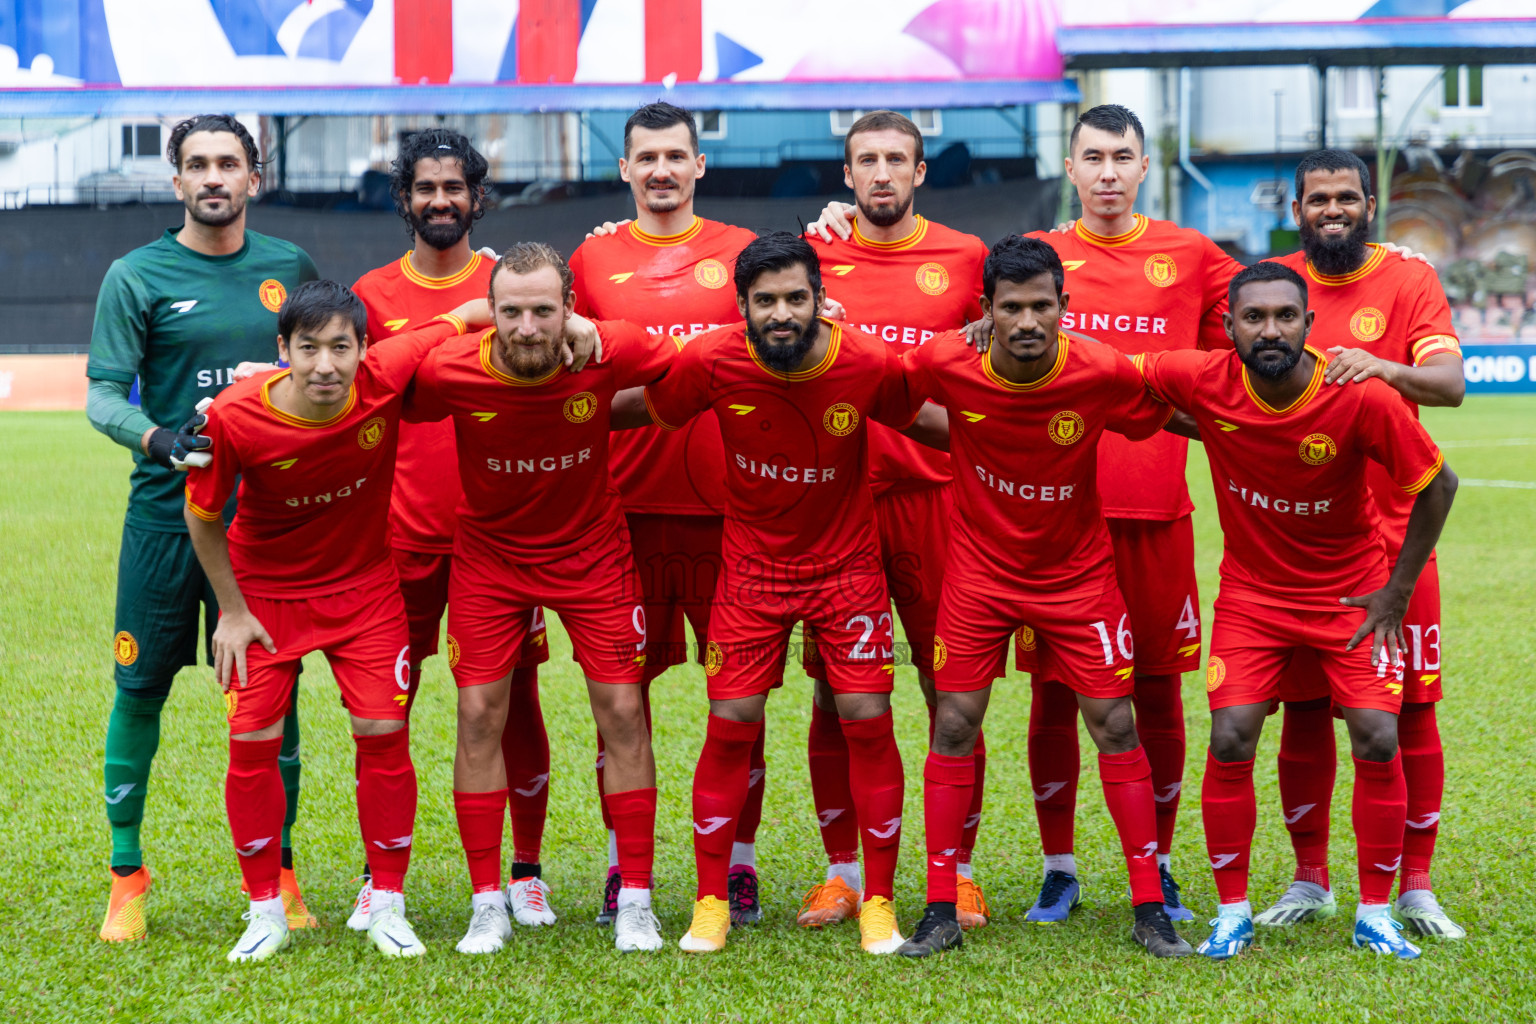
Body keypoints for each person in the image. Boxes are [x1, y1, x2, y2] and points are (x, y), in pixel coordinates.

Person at [628, 231, 940, 956]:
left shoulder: (864, 360)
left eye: (796, 298)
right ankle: (710, 901)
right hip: (750, 572)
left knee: (867, 714)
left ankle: (880, 904)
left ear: (819, 301)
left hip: (848, 569)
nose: (781, 313)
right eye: (765, 300)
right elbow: (658, 408)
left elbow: (916, 409)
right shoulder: (710, 360)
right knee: (731, 720)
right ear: (741, 307)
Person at [1137, 260, 1457, 961]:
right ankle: (1232, 913)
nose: (1271, 329)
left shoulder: (1361, 395)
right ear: (1229, 328)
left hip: (1350, 593)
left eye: (1286, 316)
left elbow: (1440, 485)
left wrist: (1396, 593)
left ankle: (1376, 911)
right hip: (1253, 597)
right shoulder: (1202, 377)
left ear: (1310, 326)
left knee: (1377, 734)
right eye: (1254, 317)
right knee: (1231, 738)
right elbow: (1112, 366)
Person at [893, 235, 1192, 960]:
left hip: (1078, 576)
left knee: (1115, 726)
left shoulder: (1099, 369)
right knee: (955, 724)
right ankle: (939, 908)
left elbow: (1168, 411)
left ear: (1066, 307)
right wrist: (961, 435)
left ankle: (1150, 908)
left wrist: (1262, 429)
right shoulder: (944, 361)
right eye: (1011, 308)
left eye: (1041, 307)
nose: (1027, 321)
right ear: (985, 311)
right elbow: (888, 400)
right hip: (978, 575)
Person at [184, 280, 480, 960]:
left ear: (365, 349)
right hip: (264, 599)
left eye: (341, 348)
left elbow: (466, 315)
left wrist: (581, 326)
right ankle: (264, 910)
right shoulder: (234, 416)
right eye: (308, 348)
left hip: (364, 591)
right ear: (282, 349)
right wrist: (230, 611)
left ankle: (388, 903)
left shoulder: (386, 375)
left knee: (382, 730)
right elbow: (200, 515)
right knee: (252, 737)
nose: (325, 365)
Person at [86, 113, 318, 941]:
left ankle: (283, 872)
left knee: (272, 696)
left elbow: (324, 363)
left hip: (263, 521)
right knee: (140, 688)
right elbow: (104, 395)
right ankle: (126, 874)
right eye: (197, 165)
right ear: (175, 181)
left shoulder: (289, 268)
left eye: (229, 163)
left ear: (254, 178)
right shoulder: (136, 274)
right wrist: (158, 436)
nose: (214, 177)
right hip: (163, 516)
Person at [403, 243, 667, 954]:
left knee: (621, 707)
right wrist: (454, 320)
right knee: (479, 711)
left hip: (592, 552)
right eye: (510, 311)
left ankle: (637, 898)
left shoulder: (599, 356)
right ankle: (488, 900)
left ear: (568, 310)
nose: (526, 328)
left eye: (543, 311)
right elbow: (388, 373)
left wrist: (602, 334)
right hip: (490, 557)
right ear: (491, 313)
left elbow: (665, 352)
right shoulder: (455, 367)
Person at [350, 128, 560, 932]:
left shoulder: (515, 284)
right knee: (385, 709)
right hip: (396, 535)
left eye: (455, 186)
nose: (441, 199)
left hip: (500, 538)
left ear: (478, 196)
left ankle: (528, 872)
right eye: (425, 187)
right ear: (404, 198)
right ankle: (381, 874)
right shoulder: (370, 293)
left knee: (516, 705)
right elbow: (360, 390)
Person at [1262, 149, 1466, 939]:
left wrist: (1376, 367)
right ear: (1299, 208)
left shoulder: (1408, 280)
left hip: (1398, 537)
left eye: (1347, 197)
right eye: (1319, 199)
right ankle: (1310, 879)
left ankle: (1415, 885)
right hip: (1301, 548)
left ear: (1370, 204)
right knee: (1306, 708)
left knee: (1411, 711)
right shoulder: (1271, 281)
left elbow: (1448, 386)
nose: (1333, 210)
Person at [797, 111, 992, 929]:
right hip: (833, 505)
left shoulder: (965, 258)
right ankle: (843, 872)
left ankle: (959, 871)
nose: (881, 174)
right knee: (834, 694)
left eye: (896, 160)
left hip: (935, 501)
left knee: (951, 689)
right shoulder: (813, 254)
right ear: (847, 175)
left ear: (920, 173)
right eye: (866, 160)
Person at [568, 103, 761, 925]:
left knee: (740, 700)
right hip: (624, 514)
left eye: (675, 155)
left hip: (731, 512)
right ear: (624, 169)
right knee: (621, 701)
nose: (661, 170)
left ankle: (740, 863)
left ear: (698, 166)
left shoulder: (743, 252)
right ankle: (624, 865)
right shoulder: (593, 257)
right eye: (646, 157)